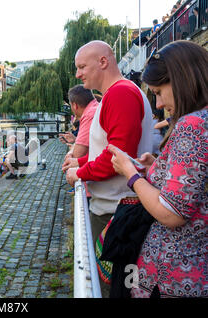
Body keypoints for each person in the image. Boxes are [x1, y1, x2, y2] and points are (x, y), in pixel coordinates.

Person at [108, 40, 207, 298]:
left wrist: (130, 174)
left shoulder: (192, 124)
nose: (159, 104)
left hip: (175, 275)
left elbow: (172, 213)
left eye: (159, 92)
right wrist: (159, 166)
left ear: (182, 80)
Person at [62, 41, 153, 296]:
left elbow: (118, 156)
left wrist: (78, 173)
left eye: (82, 66)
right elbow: (112, 147)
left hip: (115, 214)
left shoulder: (120, 94)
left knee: (110, 288)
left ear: (103, 61)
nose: (78, 74)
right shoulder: (115, 95)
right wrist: (81, 162)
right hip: (114, 208)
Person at [61, 84, 99, 160]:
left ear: (75, 105)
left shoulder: (89, 115)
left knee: (71, 170)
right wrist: (75, 141)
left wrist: (72, 150)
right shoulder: (96, 108)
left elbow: (77, 155)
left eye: (70, 105)